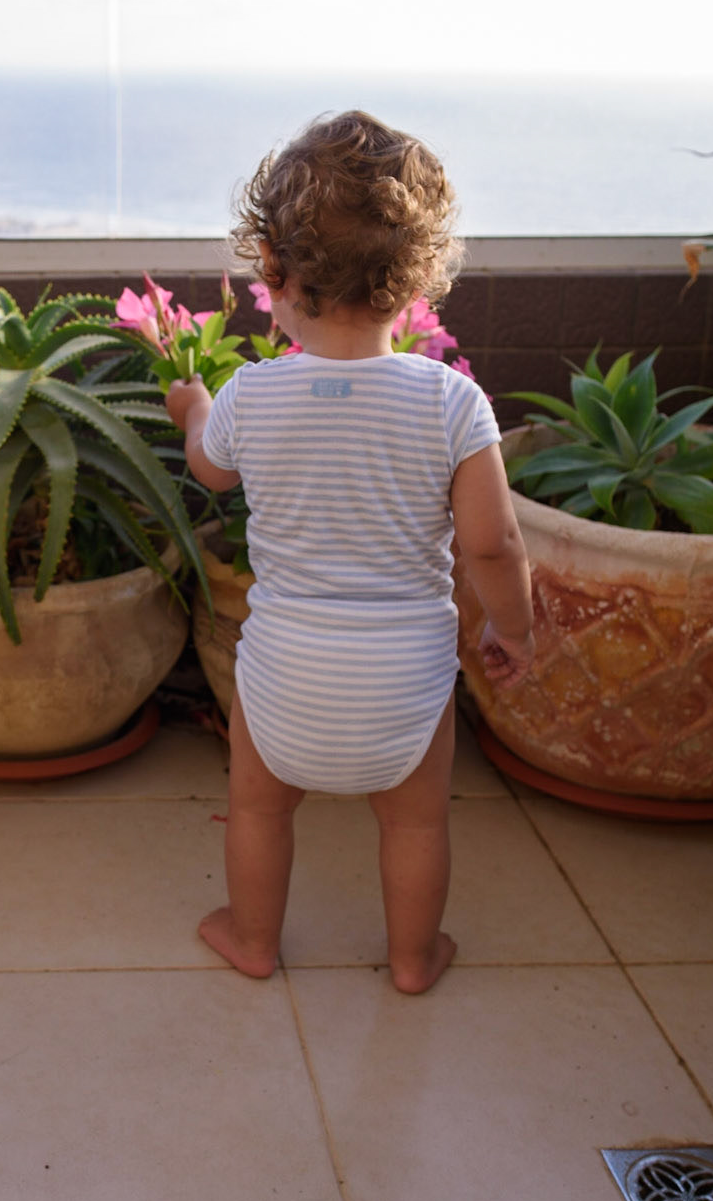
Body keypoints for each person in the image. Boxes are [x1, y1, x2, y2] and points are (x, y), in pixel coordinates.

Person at [165, 110, 534, 995]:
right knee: (413, 827)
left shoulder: (251, 393)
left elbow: (212, 473)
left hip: (284, 671)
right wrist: (514, 630)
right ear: (416, 282)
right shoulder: (451, 401)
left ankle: (254, 940)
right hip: (406, 678)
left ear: (275, 273)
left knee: (259, 807)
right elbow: (493, 542)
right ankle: (412, 960)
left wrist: (193, 412)